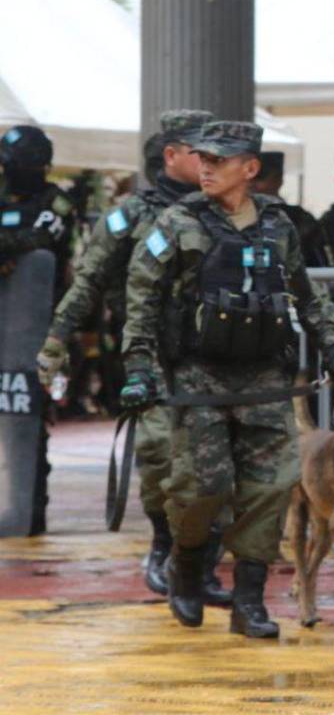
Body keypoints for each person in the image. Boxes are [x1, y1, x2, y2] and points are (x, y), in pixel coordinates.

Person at [122, 121, 334, 638]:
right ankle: (185, 564)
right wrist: (138, 368)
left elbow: (308, 298)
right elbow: (142, 299)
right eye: (202, 159)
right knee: (203, 486)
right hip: (199, 378)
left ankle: (250, 603)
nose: (206, 168)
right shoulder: (177, 223)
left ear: (250, 168)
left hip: (264, 378)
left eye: (218, 161)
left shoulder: (277, 226)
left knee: (270, 489)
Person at [37, 111, 232, 603]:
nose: (212, 162)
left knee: (221, 469)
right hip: (154, 359)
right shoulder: (129, 215)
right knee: (164, 463)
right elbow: (88, 284)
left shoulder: (226, 209)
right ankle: (166, 547)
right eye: (200, 152)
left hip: (218, 360)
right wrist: (56, 344)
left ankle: (203, 567)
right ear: (171, 155)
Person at [0, 125, 76, 535]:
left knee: (25, 416)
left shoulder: (57, 203)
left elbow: (49, 241)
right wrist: (21, 242)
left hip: (34, 329)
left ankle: (29, 511)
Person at [253, 151, 334, 268]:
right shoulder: (241, 219)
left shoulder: (299, 219)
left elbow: (321, 263)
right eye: (250, 179)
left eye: (260, 179)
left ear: (278, 180)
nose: (252, 185)